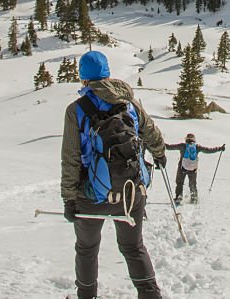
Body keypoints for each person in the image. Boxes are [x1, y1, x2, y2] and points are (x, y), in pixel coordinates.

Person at [61, 50, 167, 299]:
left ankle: (86, 296)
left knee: (87, 249)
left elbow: (71, 159)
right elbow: (153, 135)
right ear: (108, 74)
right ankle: (151, 295)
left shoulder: (76, 110)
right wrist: (160, 155)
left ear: (83, 78)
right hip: (131, 191)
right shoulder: (128, 104)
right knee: (133, 247)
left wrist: (69, 198)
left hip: (92, 194)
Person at [164, 133, 224, 204]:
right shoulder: (197, 147)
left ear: (186, 139)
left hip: (182, 168)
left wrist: (158, 143)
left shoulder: (183, 146)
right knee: (192, 184)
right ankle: (194, 198)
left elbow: (169, 147)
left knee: (179, 183)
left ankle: (178, 197)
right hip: (193, 169)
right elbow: (209, 150)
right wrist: (220, 148)